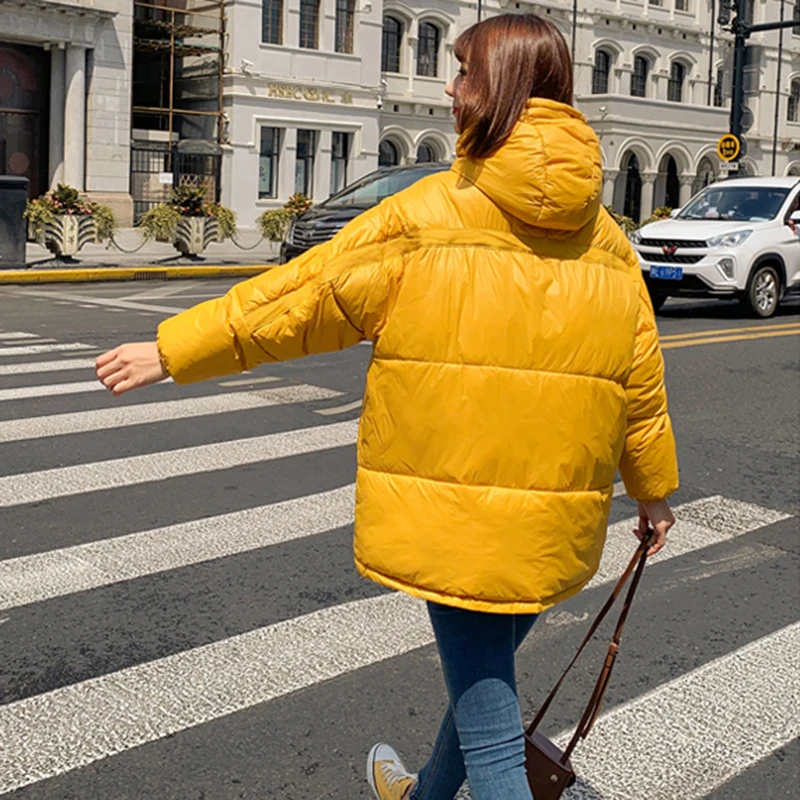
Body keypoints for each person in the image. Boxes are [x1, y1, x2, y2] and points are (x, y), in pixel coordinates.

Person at [96, 13, 678, 800]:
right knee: (487, 691)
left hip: (453, 512)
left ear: (498, 91)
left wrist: (171, 351)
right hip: (552, 519)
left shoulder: (428, 214)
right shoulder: (608, 240)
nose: (448, 87)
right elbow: (640, 383)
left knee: (498, 741)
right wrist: (653, 492)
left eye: (463, 71)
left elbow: (301, 298)